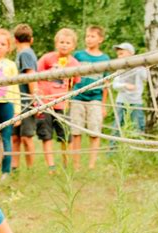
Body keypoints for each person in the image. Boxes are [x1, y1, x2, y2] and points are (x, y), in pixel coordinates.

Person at [37, 28, 81, 172]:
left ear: (73, 46)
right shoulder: (47, 58)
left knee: (65, 136)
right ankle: (51, 166)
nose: (64, 45)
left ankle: (66, 164)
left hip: (62, 104)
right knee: (47, 135)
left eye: (68, 43)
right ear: (56, 43)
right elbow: (36, 76)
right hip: (46, 102)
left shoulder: (74, 63)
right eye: (61, 42)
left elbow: (75, 81)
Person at [70, 26, 110, 170]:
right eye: (87, 36)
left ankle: (91, 165)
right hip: (78, 96)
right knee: (76, 132)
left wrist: (104, 105)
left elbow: (106, 83)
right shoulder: (78, 55)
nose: (89, 39)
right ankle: (76, 165)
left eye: (92, 36)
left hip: (96, 98)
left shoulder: (105, 59)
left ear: (100, 39)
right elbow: (71, 76)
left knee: (94, 132)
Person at [0, 28, 21, 180]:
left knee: (5, 138)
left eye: (2, 44)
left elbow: (15, 88)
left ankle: (6, 171)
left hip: (6, 105)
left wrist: (17, 111)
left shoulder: (10, 65)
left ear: (8, 47)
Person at [12, 24, 38, 171]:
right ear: (32, 39)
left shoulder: (26, 54)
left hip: (27, 101)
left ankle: (30, 168)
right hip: (18, 101)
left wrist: (34, 99)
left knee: (27, 137)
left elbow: (31, 76)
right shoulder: (22, 54)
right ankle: (14, 167)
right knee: (16, 137)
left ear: (15, 40)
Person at [112, 42, 147, 135]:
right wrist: (125, 85)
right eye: (118, 55)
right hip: (121, 101)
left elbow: (146, 77)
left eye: (121, 54)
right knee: (117, 126)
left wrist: (142, 64)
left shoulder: (139, 67)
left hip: (136, 101)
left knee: (138, 125)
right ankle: (113, 148)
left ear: (131, 53)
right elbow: (115, 85)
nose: (119, 57)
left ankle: (138, 147)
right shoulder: (120, 68)